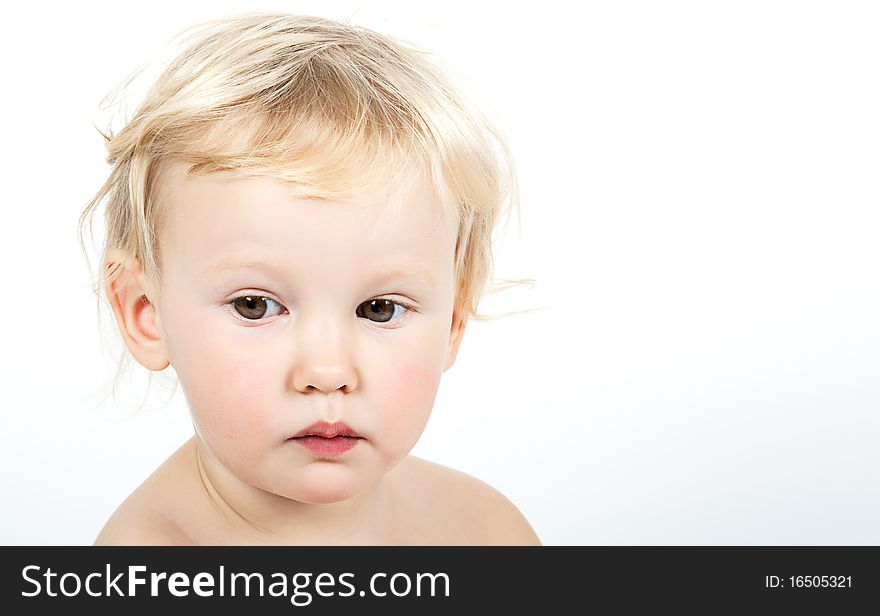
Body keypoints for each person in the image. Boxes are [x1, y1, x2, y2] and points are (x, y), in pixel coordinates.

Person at [79, 11, 540, 545]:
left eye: (380, 309)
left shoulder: (483, 531)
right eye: (255, 306)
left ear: (454, 324)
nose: (327, 372)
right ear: (145, 313)